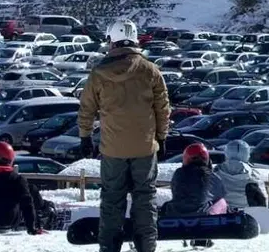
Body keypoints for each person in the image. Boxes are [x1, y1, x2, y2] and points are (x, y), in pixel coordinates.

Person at [78, 18, 171, 252]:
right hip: (144, 148)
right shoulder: (150, 70)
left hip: (112, 150)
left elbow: (87, 108)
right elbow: (163, 107)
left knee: (111, 201)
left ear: (112, 41)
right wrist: (162, 137)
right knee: (145, 199)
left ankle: (109, 247)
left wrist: (85, 137)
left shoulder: (99, 73)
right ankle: (146, 247)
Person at [0, 142, 41, 235]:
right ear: (10, 159)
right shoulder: (18, 179)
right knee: (31, 189)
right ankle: (42, 215)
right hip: (11, 223)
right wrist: (31, 228)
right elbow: (27, 204)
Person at [162, 143, 228, 217]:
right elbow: (221, 193)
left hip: (176, 213)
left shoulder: (178, 174)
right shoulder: (211, 175)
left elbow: (175, 194)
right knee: (222, 202)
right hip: (203, 216)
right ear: (207, 160)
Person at [213, 140, 268, 208]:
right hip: (248, 215)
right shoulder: (254, 175)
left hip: (221, 215)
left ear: (227, 153)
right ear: (247, 155)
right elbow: (263, 200)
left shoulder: (215, 173)